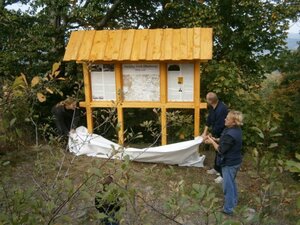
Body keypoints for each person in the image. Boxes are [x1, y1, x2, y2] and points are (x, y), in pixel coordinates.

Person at [205, 110, 243, 215]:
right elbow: (225, 142)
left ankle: (229, 209)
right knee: (231, 183)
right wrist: (215, 139)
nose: (225, 119)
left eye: (227, 118)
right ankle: (233, 203)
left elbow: (221, 150)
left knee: (228, 186)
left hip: (230, 163)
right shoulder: (234, 129)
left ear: (234, 122)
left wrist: (212, 142)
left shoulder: (231, 133)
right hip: (235, 161)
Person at [201, 92, 228, 183]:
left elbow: (219, 126)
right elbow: (209, 120)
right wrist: (204, 133)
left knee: (222, 153)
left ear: (210, 101)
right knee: (217, 152)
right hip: (217, 133)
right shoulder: (213, 107)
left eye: (207, 99)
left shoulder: (222, 109)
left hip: (223, 134)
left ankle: (222, 175)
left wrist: (210, 135)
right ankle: (216, 169)